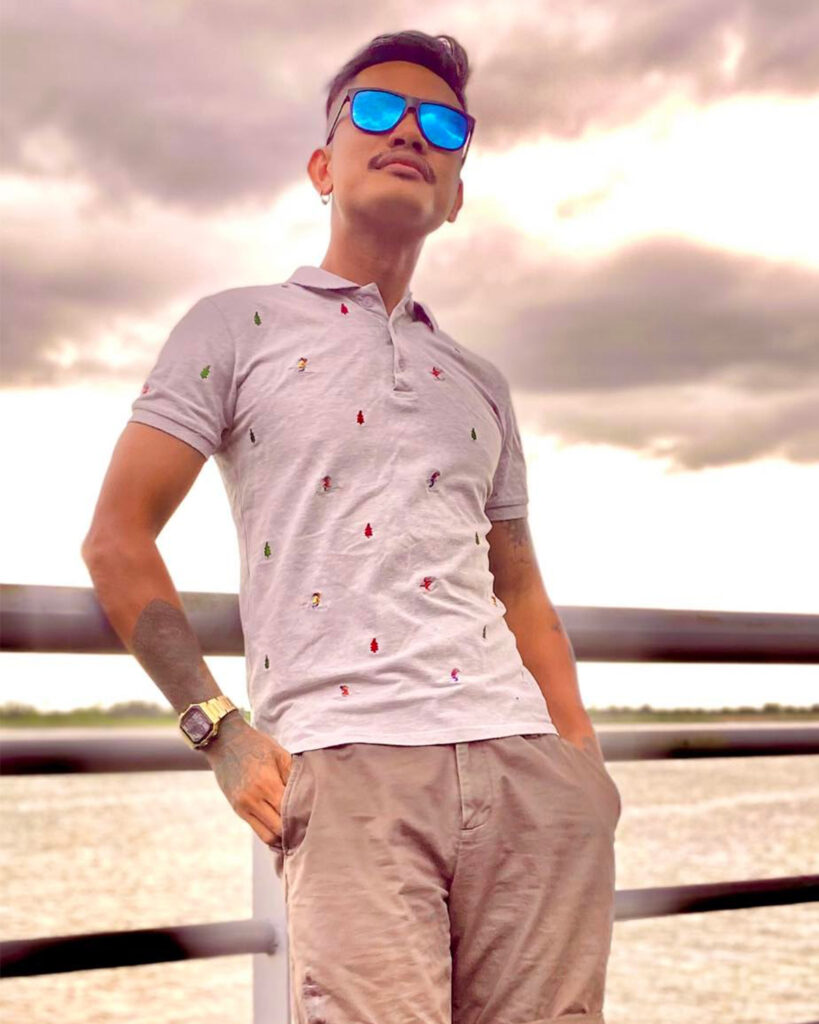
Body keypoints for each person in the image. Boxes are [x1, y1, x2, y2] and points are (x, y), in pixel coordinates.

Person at [82, 28, 622, 1024]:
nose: (410, 131)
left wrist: (581, 766)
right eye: (376, 110)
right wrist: (218, 728)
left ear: (455, 193)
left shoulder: (479, 382)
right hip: (348, 766)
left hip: (526, 776)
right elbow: (117, 537)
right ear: (322, 166)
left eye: (444, 124)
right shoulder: (233, 326)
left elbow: (518, 587)